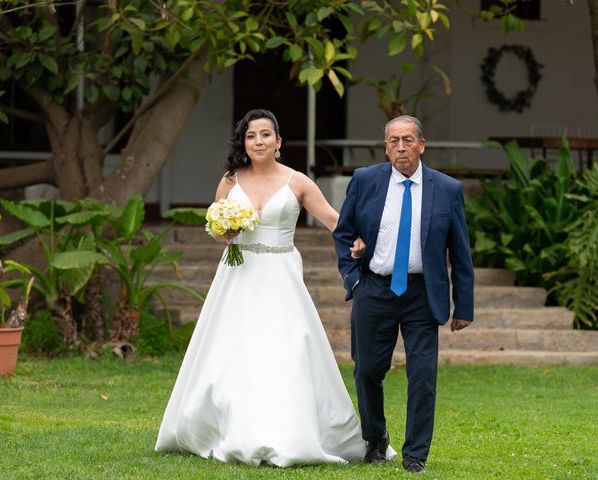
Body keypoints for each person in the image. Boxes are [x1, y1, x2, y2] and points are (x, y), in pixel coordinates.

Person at [155, 109, 385, 467]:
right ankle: (227, 426)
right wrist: (224, 232)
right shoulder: (230, 180)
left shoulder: (298, 182)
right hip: (237, 275)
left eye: (265, 135)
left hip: (280, 275)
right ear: (243, 143)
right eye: (251, 136)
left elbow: (333, 219)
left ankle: (289, 430)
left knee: (285, 347)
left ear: (278, 142)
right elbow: (216, 226)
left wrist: (359, 241)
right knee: (232, 349)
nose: (258, 141)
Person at [332, 115, 474, 473]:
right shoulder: (365, 181)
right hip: (375, 289)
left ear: (421, 145)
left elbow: (460, 253)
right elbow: (343, 232)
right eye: (393, 141)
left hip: (423, 294)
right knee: (366, 370)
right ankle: (375, 438)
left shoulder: (447, 189)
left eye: (408, 140)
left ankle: (415, 454)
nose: (400, 147)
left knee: (423, 376)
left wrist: (464, 305)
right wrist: (353, 278)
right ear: (385, 147)